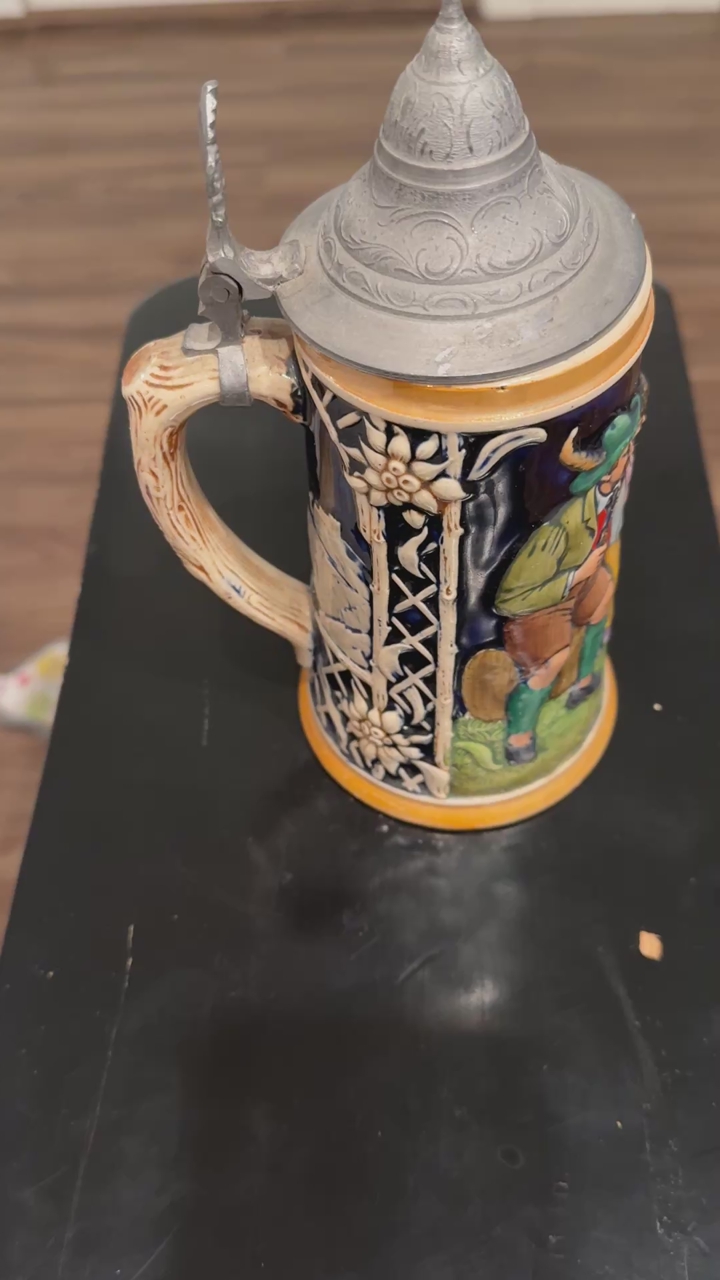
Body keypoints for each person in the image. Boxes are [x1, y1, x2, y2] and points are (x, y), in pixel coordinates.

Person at [494, 389, 645, 765]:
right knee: (550, 661)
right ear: (608, 468)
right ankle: (518, 736)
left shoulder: (611, 499)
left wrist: (585, 576)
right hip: (539, 602)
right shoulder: (561, 527)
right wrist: (575, 576)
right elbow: (510, 598)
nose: (630, 458)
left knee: (602, 598)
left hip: (581, 581)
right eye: (625, 453)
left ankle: (585, 681)